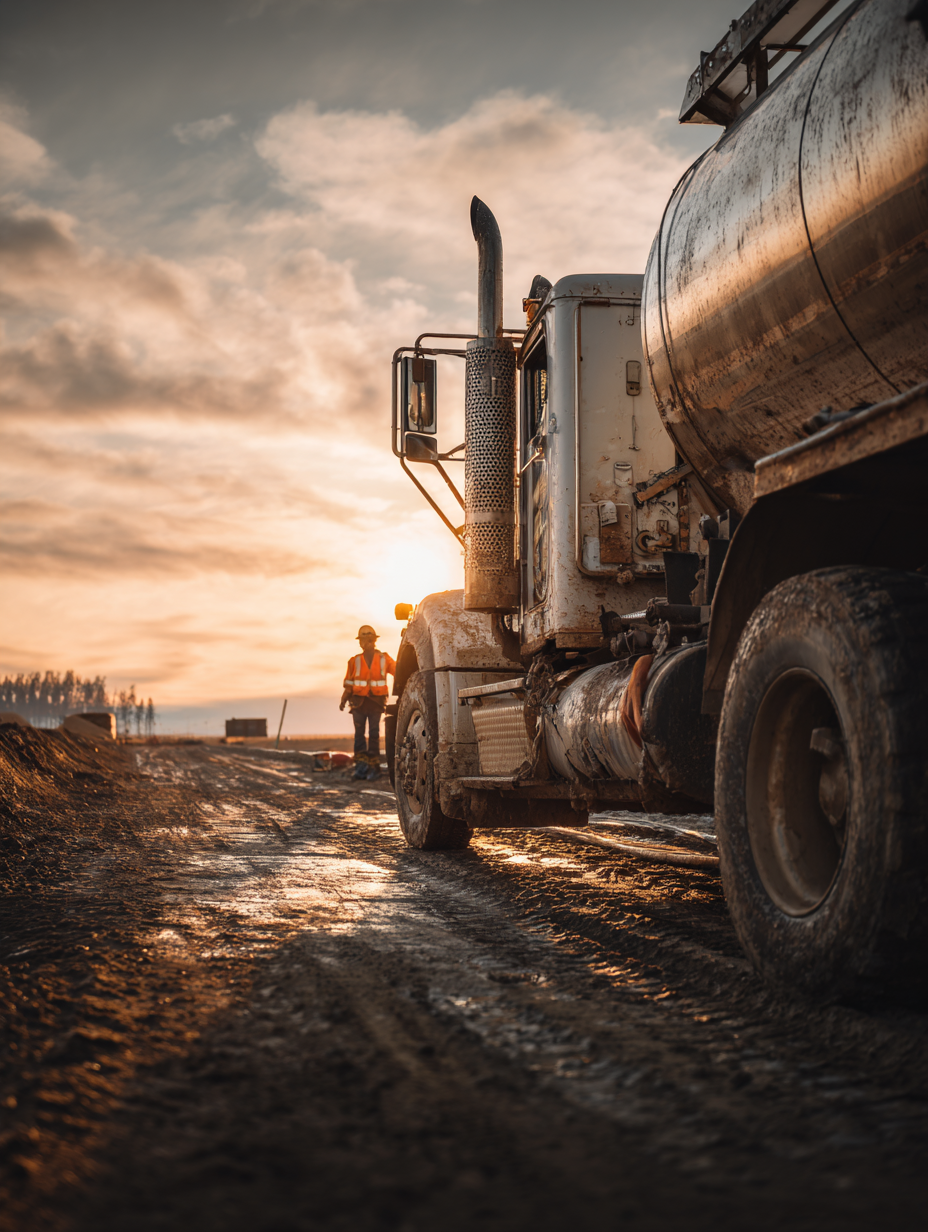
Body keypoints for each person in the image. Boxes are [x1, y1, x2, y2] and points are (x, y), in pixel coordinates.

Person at [339, 625, 396, 780]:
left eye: (366, 639)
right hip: (358, 704)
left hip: (376, 704)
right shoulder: (354, 661)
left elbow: (399, 671)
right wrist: (344, 699)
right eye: (363, 640)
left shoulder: (385, 659)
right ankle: (362, 769)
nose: (364, 643)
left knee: (373, 735)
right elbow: (349, 685)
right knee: (360, 736)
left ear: (372, 640)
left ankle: (373, 769)